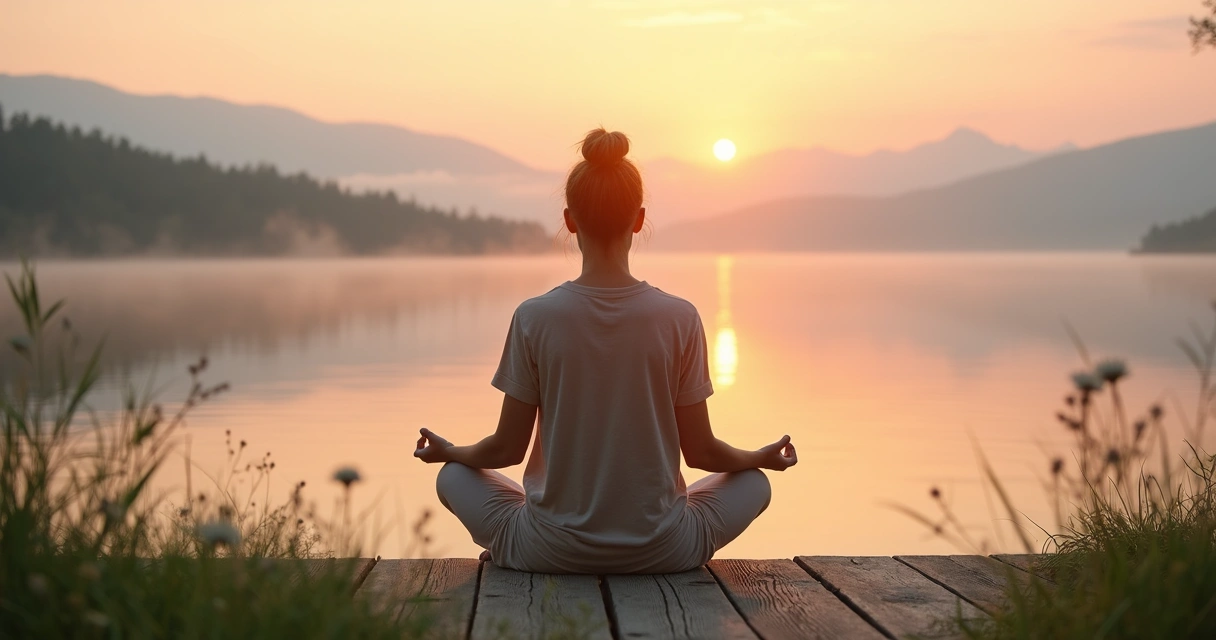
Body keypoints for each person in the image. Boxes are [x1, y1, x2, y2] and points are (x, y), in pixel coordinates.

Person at [413, 128, 797, 573]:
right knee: (753, 484)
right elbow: (702, 454)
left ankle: (515, 542)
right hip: (664, 551)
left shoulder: (536, 317)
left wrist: (449, 452)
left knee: (453, 476)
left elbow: (505, 450)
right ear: (638, 218)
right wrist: (759, 459)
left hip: (548, 551)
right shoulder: (679, 318)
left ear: (570, 220)